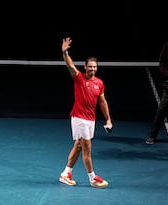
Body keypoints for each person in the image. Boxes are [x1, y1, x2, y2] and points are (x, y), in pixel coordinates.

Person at [59, 37, 112, 188]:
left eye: (94, 67)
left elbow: (102, 102)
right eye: (90, 67)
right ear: (85, 67)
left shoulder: (99, 83)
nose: (92, 69)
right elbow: (70, 65)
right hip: (79, 118)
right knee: (87, 149)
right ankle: (92, 178)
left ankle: (65, 173)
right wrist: (65, 52)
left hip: (91, 119)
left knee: (78, 146)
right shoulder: (79, 78)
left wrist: (108, 119)